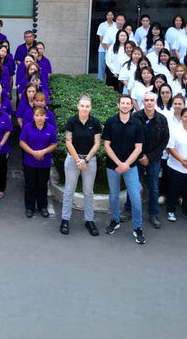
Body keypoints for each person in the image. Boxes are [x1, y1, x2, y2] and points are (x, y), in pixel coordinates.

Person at [102, 95, 146, 245]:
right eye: (123, 103)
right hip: (112, 166)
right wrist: (118, 163)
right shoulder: (110, 122)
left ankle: (138, 228)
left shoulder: (137, 124)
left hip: (130, 166)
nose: (125, 105)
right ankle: (115, 220)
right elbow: (106, 145)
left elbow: (138, 148)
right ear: (118, 105)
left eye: (128, 103)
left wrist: (126, 164)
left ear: (131, 106)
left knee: (135, 198)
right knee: (114, 195)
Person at [60, 94, 102, 236]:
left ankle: (89, 220)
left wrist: (86, 160)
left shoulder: (95, 122)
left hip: (89, 161)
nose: (84, 108)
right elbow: (68, 142)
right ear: (78, 106)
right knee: (69, 190)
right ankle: (65, 219)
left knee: (88, 192)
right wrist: (78, 160)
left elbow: (97, 143)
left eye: (87, 106)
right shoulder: (71, 121)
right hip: (73, 160)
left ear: (90, 108)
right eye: (82, 105)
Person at [128, 91, 168, 229]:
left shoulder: (162, 119)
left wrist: (149, 157)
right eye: (147, 100)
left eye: (152, 100)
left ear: (155, 102)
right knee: (132, 185)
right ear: (143, 102)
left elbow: (164, 141)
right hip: (136, 158)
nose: (149, 102)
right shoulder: (135, 117)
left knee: (154, 188)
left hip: (154, 159)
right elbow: (130, 138)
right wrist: (140, 157)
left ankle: (153, 214)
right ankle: (128, 209)